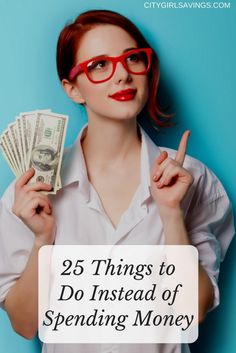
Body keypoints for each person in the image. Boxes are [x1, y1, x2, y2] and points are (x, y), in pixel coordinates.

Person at [0, 9, 234, 353]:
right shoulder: (31, 191)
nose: (122, 74)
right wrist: (42, 240)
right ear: (72, 89)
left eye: (132, 58)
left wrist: (171, 214)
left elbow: (192, 312)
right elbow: (24, 324)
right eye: (99, 65)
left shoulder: (194, 179)